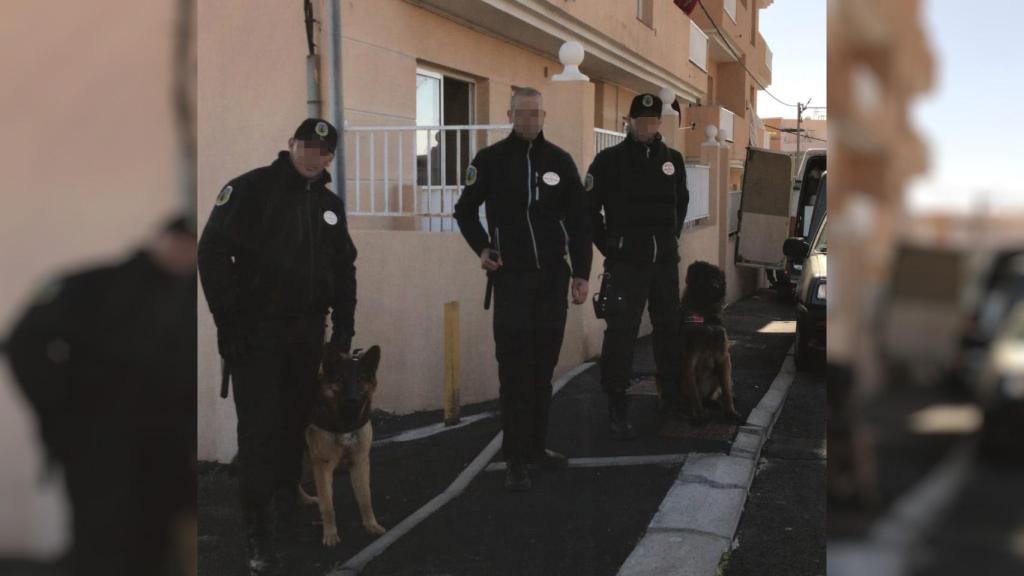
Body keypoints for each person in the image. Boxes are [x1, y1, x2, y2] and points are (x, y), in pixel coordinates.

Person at [197, 118, 356, 575]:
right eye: (308, 146)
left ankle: (287, 515)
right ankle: (257, 533)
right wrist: (229, 323)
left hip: (307, 334)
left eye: (325, 151)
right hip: (256, 335)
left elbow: (344, 267)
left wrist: (343, 329)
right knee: (260, 433)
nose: (316, 156)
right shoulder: (250, 190)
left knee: (293, 429)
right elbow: (210, 254)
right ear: (290, 145)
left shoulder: (329, 205)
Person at [5, 215, 198, 576]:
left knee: (154, 547)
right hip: (100, 445)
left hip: (170, 450)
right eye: (183, 243)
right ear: (163, 240)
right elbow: (25, 343)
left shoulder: (193, 295)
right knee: (102, 546)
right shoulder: (96, 285)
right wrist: (62, 409)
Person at [454, 87, 591, 492]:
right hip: (512, 281)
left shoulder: (560, 162)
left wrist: (581, 273)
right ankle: (514, 457)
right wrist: (483, 247)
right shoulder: (491, 161)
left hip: (552, 280)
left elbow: (580, 220)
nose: (529, 120)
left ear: (544, 115)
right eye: (522, 113)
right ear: (509, 114)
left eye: (535, 113)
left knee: (543, 372)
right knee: (515, 373)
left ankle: (536, 448)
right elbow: (464, 209)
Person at [586, 93, 689, 440]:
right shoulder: (608, 161)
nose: (646, 127)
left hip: (664, 264)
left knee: (669, 331)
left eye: (652, 121)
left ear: (660, 124)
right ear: (629, 122)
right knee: (621, 334)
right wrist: (612, 247)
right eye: (640, 121)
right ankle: (617, 402)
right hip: (627, 264)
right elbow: (589, 212)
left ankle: (671, 397)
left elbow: (681, 205)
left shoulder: (673, 160)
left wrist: (669, 241)